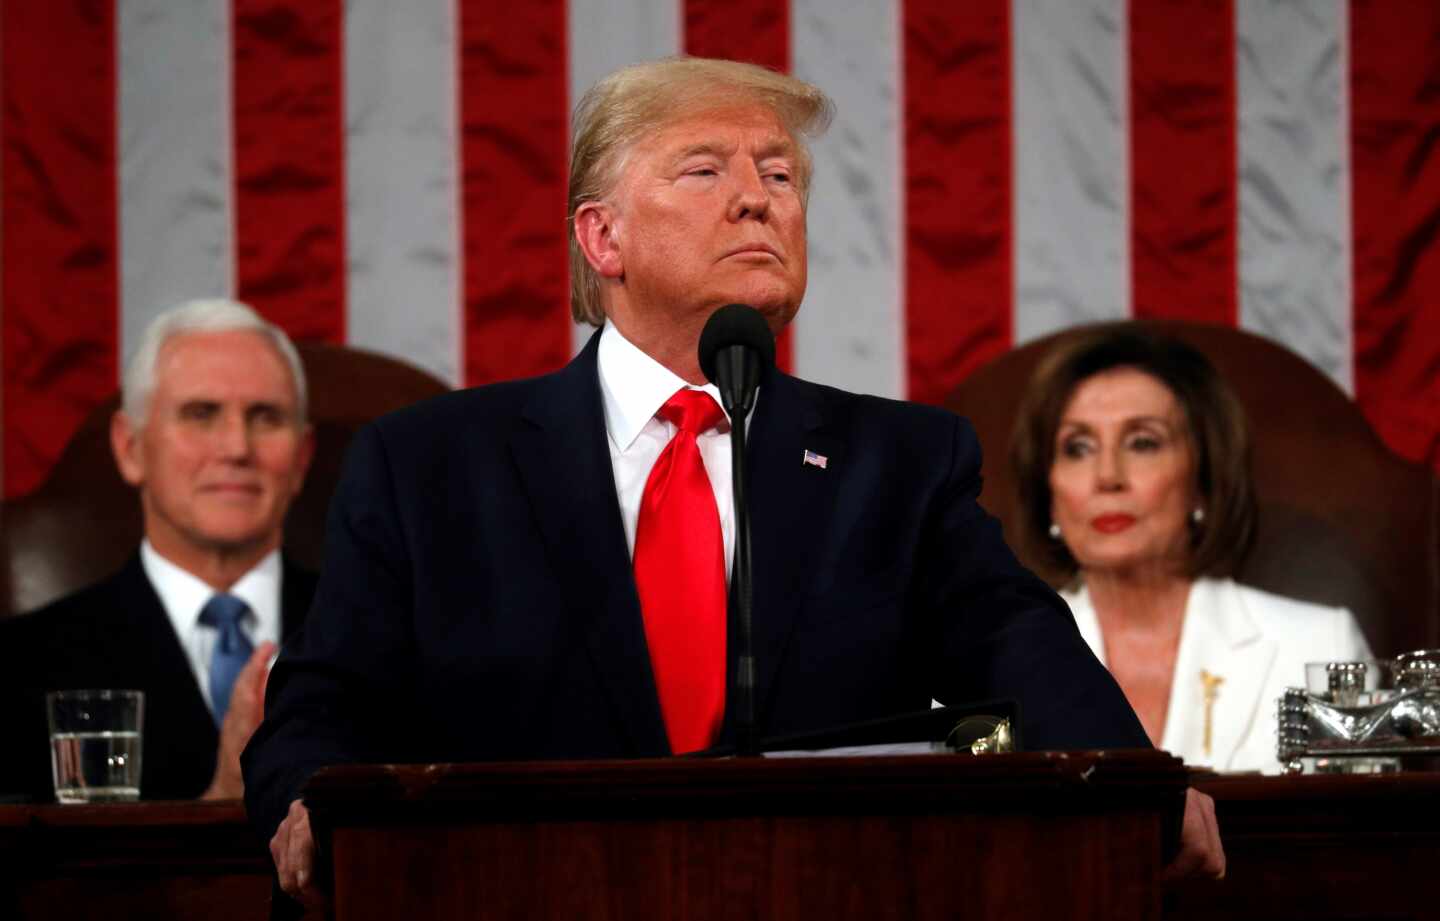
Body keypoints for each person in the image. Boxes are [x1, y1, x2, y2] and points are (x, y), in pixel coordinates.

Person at [244, 58, 1223, 905]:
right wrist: (300, 806)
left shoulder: (897, 465)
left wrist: (1139, 785)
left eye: (781, 174)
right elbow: (325, 706)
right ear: (603, 239)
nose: (760, 198)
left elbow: (1023, 654)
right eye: (705, 170)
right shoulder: (431, 468)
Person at [1010, 324, 1373, 773]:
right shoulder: (989, 663)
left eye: (1143, 442)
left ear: (1203, 480)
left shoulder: (1318, 647)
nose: (1107, 476)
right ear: (1048, 489)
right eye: (1078, 447)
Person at [0, 298, 317, 801]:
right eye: (201, 413)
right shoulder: (15, 668)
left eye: (265, 417)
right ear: (130, 448)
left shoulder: (382, 639)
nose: (236, 447)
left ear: (302, 458)